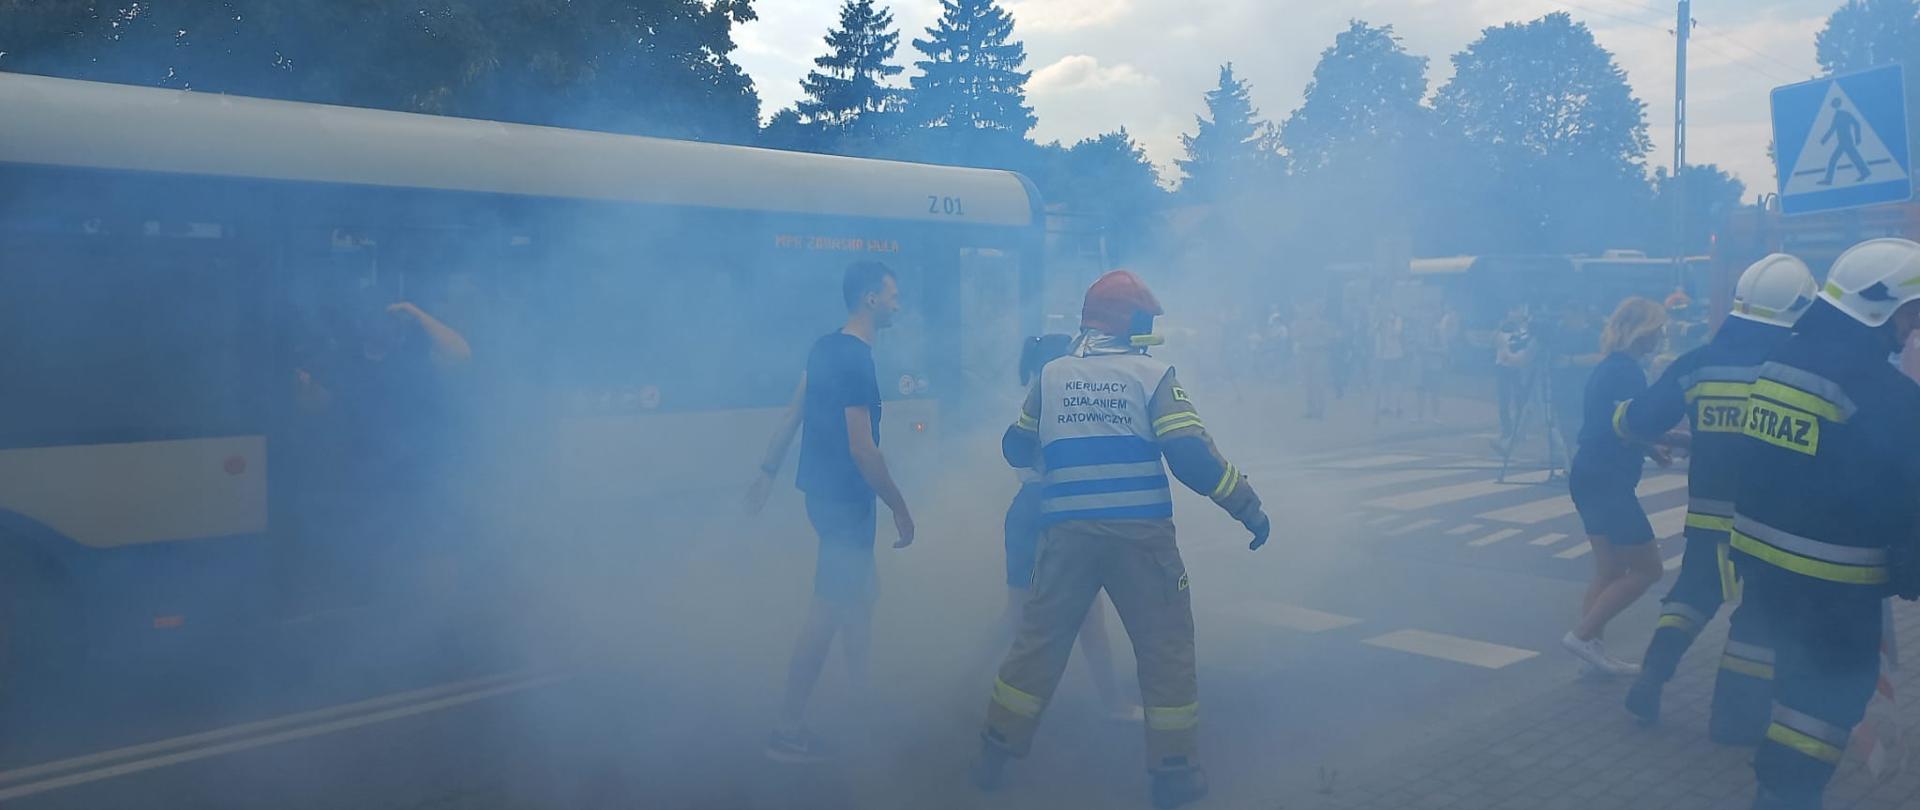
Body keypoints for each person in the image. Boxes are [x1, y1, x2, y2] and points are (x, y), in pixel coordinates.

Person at [970, 270, 1271, 810]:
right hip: (1140, 541)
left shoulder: (1053, 374)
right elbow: (1191, 456)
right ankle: (1173, 772)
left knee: (1038, 644)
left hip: (1065, 536)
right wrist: (1245, 505)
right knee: (1165, 650)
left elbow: (1014, 446)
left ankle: (995, 749)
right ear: (1131, 323)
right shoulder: (1152, 376)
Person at [1731, 239, 1920, 810]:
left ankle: (1778, 782)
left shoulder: (1778, 363)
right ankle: (1785, 790)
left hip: (1763, 565)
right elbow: (1903, 494)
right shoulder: (1884, 395)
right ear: (1883, 308)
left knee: (1797, 681)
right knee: (1827, 700)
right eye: (1913, 309)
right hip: (1834, 583)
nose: (1915, 324)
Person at [1611, 255, 1816, 731]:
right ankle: (1736, 720)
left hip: (1708, 515)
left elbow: (1638, 420)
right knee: (1759, 616)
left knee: (1691, 597)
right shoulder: (1794, 367)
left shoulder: (1700, 362)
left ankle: (1653, 674)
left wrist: (1620, 416)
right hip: (1771, 522)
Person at [747, 261, 915, 764]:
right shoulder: (857, 361)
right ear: (869, 298)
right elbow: (863, 449)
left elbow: (792, 413)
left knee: (863, 594)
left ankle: (859, 696)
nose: (897, 303)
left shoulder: (824, 347)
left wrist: (767, 470)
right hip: (847, 502)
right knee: (827, 612)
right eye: (892, 294)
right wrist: (901, 509)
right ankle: (787, 727)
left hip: (821, 497)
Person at [992, 334, 1132, 722]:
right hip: (1055, 509)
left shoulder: (1027, 399)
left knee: (1018, 616)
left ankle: (969, 685)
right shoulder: (1051, 403)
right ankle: (1113, 704)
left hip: (1026, 510)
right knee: (1087, 616)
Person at [1560, 297, 1672, 676]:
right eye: (1658, 328)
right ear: (1643, 331)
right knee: (1648, 570)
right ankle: (1582, 635)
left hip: (1588, 472)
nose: (1661, 335)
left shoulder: (1607, 367)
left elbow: (1611, 424)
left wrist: (1649, 448)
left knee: (1608, 570)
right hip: (1609, 480)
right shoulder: (1627, 372)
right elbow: (1632, 423)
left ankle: (1589, 655)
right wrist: (1678, 439)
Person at [1494, 306, 1534, 446]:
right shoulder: (1502, 329)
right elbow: (1498, 345)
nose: (1516, 314)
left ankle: (1518, 431)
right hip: (1504, 367)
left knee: (1520, 400)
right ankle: (1507, 431)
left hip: (1518, 368)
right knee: (1504, 400)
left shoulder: (1525, 330)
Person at [1292, 302, 1335, 419]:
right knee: (1308, 383)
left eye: (1313, 309)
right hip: (1305, 352)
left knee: (1319, 383)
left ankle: (1320, 411)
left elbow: (1331, 337)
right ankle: (1310, 410)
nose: (1310, 311)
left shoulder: (1323, 323)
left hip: (1319, 353)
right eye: (1308, 309)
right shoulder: (1301, 323)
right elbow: (1295, 335)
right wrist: (1303, 329)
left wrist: (1319, 328)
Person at [1372, 310, 1408, 422]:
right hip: (1382, 356)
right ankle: (1385, 406)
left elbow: (1397, 333)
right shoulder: (1378, 319)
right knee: (1384, 382)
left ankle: (1397, 407)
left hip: (1395, 356)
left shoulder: (1396, 318)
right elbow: (1374, 333)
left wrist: (1387, 322)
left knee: (1396, 382)